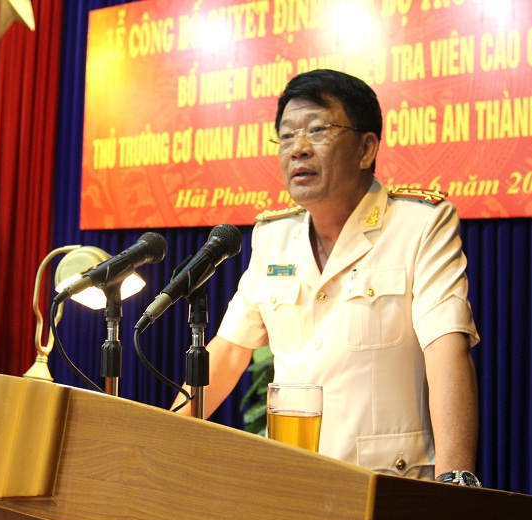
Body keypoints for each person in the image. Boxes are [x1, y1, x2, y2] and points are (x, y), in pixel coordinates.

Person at [175, 69, 481, 485]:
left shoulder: (420, 224)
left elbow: (446, 346)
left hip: (388, 484)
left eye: (317, 130)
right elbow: (229, 349)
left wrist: (455, 483)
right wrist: (162, 438)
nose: (298, 149)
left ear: (366, 148)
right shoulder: (273, 236)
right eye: (286, 136)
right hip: (292, 481)